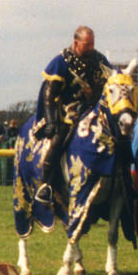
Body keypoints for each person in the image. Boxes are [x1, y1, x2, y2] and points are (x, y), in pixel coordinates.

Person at [34, 25, 111, 203]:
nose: (91, 48)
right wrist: (52, 121)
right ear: (76, 43)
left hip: (93, 111)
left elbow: (111, 81)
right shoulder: (62, 61)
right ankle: (46, 185)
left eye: (93, 44)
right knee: (60, 138)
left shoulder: (99, 60)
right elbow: (49, 94)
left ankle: (119, 181)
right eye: (87, 44)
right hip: (68, 113)